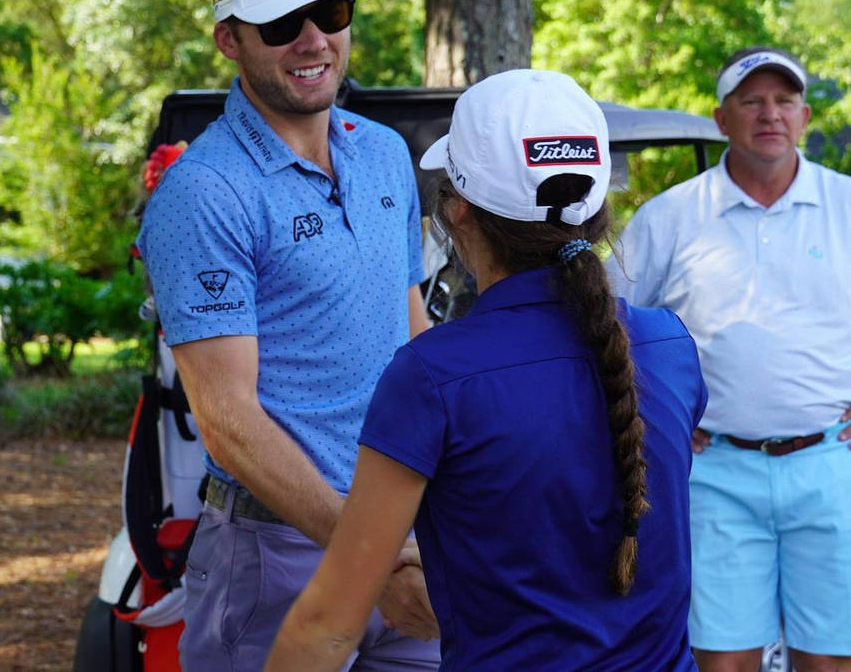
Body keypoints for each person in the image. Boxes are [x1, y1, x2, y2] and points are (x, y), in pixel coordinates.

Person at [264, 68, 708, 671]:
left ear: (460, 212)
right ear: (598, 205)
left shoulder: (433, 376)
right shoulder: (670, 347)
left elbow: (328, 626)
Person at [136, 0, 440, 670]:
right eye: (280, 22)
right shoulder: (202, 191)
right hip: (275, 553)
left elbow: (414, 332)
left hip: (406, 532)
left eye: (331, 12)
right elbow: (229, 423)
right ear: (229, 39)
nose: (313, 40)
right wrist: (369, 555)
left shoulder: (385, 155)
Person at [608, 47, 851, 672]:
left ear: (803, 115)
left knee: (832, 660)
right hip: (714, 474)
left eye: (784, 100)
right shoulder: (670, 217)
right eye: (752, 100)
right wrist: (650, 421)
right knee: (722, 662)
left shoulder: (846, 206)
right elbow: (606, 324)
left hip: (832, 466)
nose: (770, 113)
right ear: (721, 118)